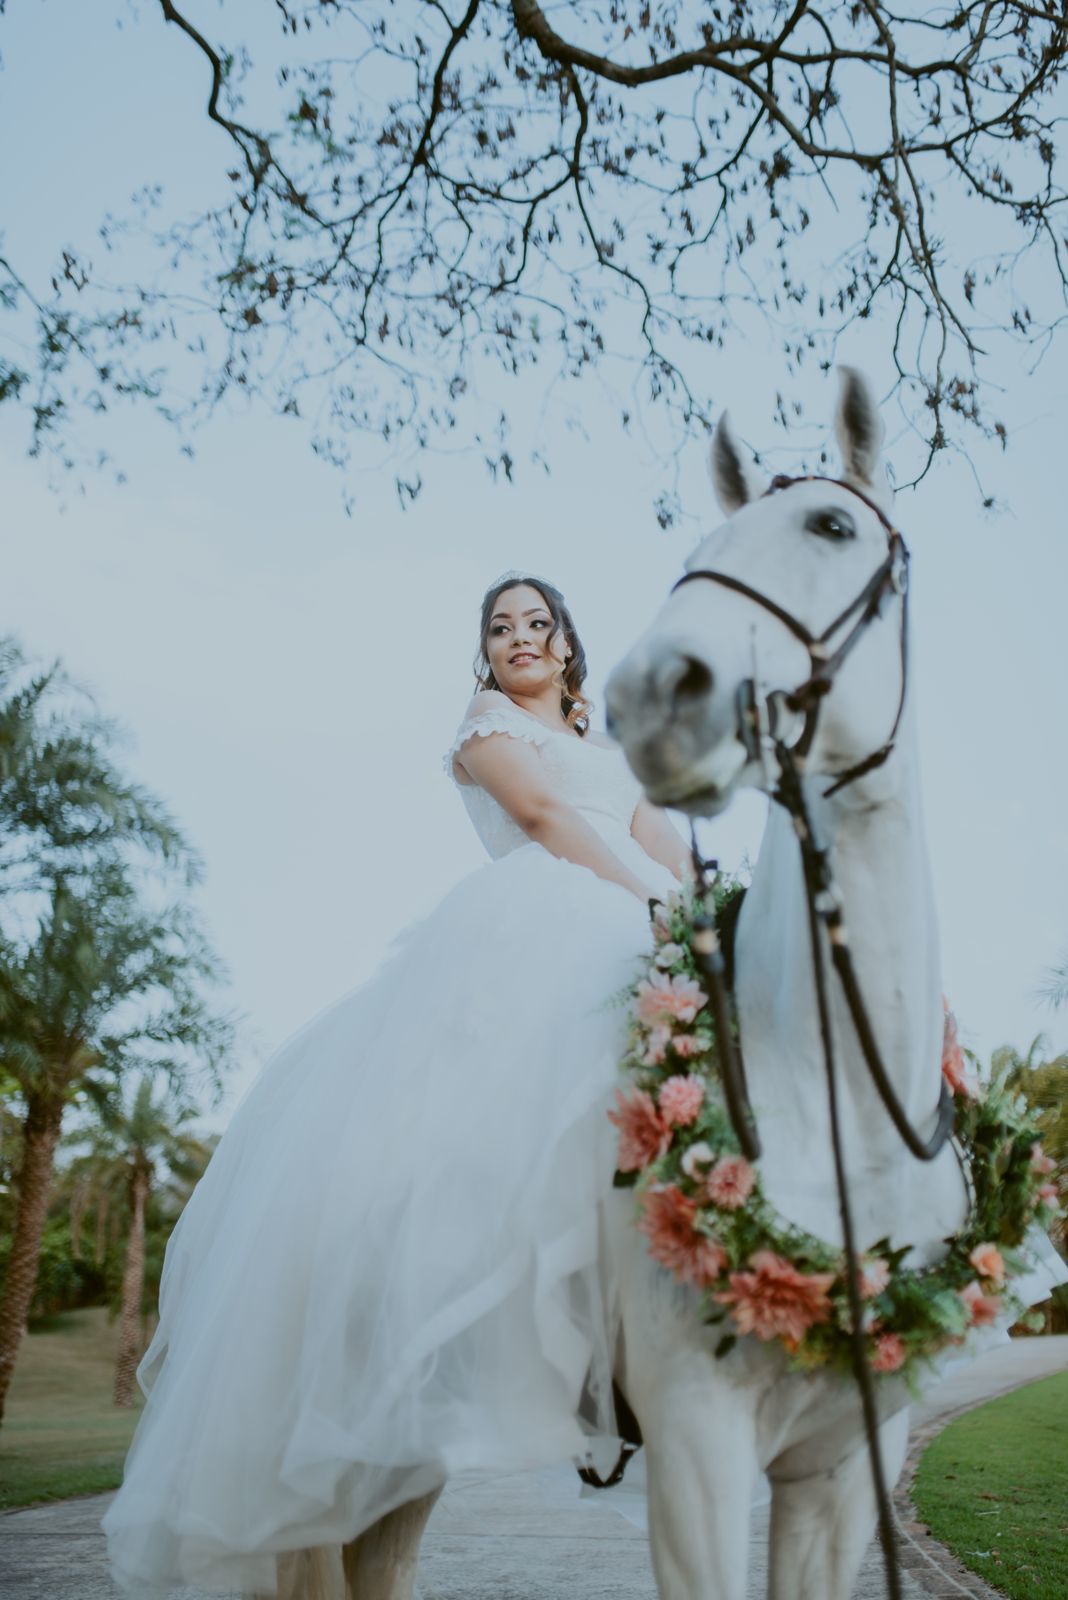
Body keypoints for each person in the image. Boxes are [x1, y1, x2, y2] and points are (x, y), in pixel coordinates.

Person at [102, 571, 691, 1595]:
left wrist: (696, 919)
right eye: (499, 626)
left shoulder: (615, 757)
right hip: (536, 937)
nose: (518, 638)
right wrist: (656, 908)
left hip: (632, 925)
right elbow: (550, 816)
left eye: (536, 624)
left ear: (567, 646)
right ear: (489, 653)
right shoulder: (488, 728)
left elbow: (662, 844)